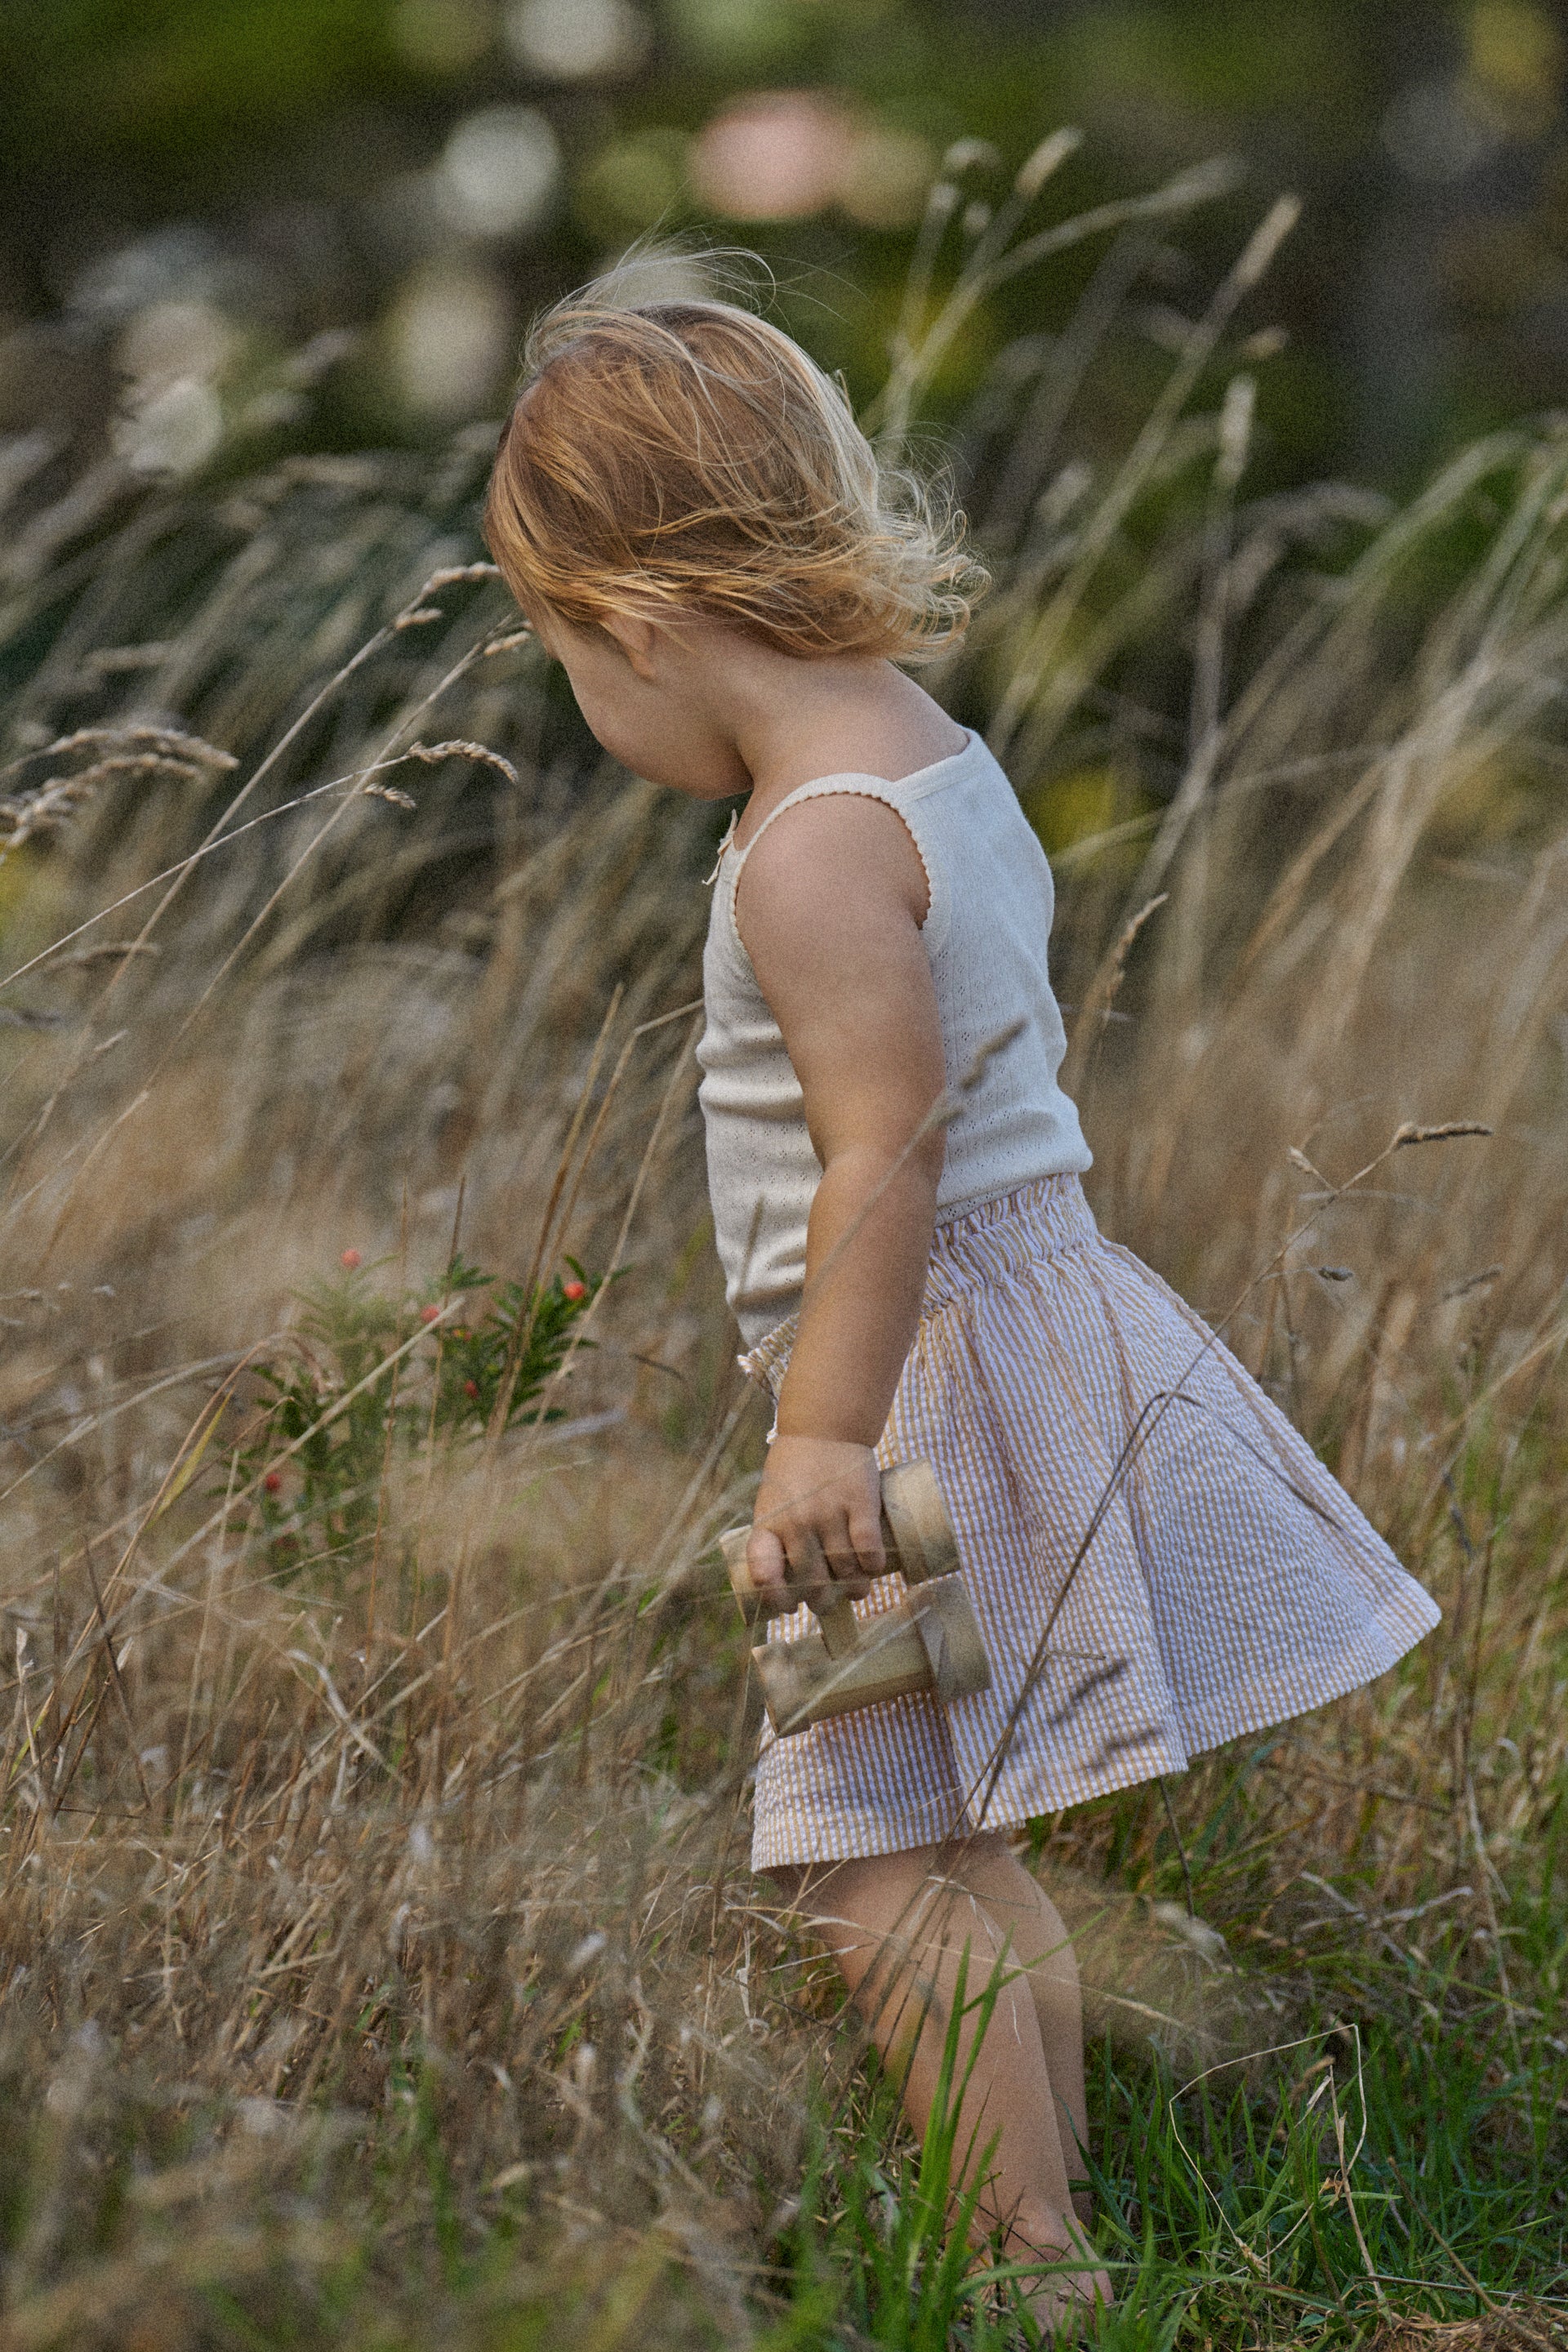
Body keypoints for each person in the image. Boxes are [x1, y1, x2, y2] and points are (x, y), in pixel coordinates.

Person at [482, 274, 1441, 2331]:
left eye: (564, 655)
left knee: (866, 1859)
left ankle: (1022, 2269)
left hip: (914, 1390)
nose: (587, 707)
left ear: (637, 616)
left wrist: (822, 1434)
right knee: (954, 1836)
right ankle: (1052, 2227)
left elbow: (886, 1148)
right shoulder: (936, 759)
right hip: (1020, 1331)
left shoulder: (806, 855)